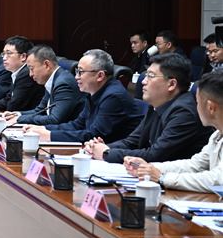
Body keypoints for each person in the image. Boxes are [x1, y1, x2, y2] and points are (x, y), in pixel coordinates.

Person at [85, 53, 213, 163]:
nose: (143, 81)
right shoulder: (157, 105)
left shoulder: (184, 112)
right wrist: (100, 147)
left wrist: (107, 153)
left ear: (171, 84)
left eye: (150, 76)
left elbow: (155, 155)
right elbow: (131, 142)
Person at [125, 72, 223, 193]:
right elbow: (195, 165)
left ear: (210, 107)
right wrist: (148, 167)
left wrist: (163, 178)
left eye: (197, 103)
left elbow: (218, 180)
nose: (196, 108)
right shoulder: (217, 134)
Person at [23, 49, 143, 143]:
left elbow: (93, 135)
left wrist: (50, 135)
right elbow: (78, 125)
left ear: (100, 76)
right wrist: (45, 129)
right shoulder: (95, 92)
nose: (76, 77)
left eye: (81, 72)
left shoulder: (113, 96)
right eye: (77, 71)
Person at [13, 45, 86, 126]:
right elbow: (40, 110)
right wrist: (16, 115)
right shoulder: (53, 79)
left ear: (47, 65)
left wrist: (19, 119)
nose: (30, 74)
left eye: (32, 69)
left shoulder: (63, 84)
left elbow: (54, 119)